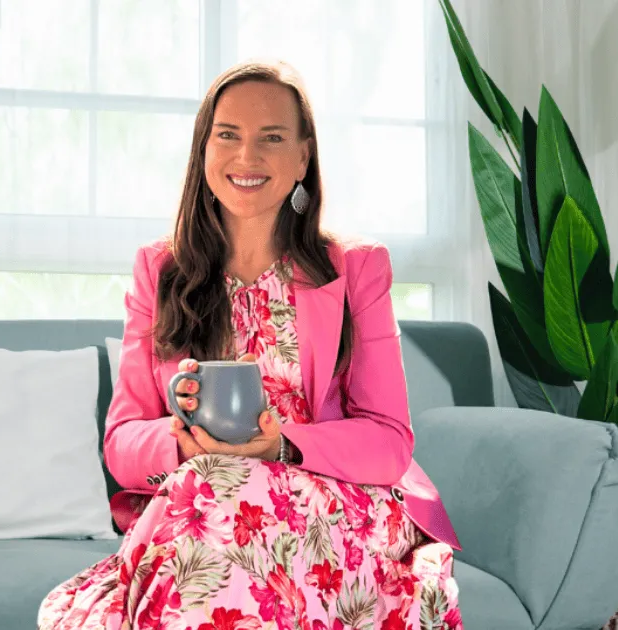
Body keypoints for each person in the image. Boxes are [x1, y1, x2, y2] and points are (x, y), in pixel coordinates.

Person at [38, 60, 463, 630]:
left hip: (334, 502)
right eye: (228, 136)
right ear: (204, 150)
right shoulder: (159, 270)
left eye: (272, 138)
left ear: (303, 157)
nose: (247, 157)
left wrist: (278, 445)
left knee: (211, 495)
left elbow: (389, 441)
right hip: (202, 497)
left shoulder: (357, 268)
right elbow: (122, 442)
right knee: (210, 490)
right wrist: (183, 443)